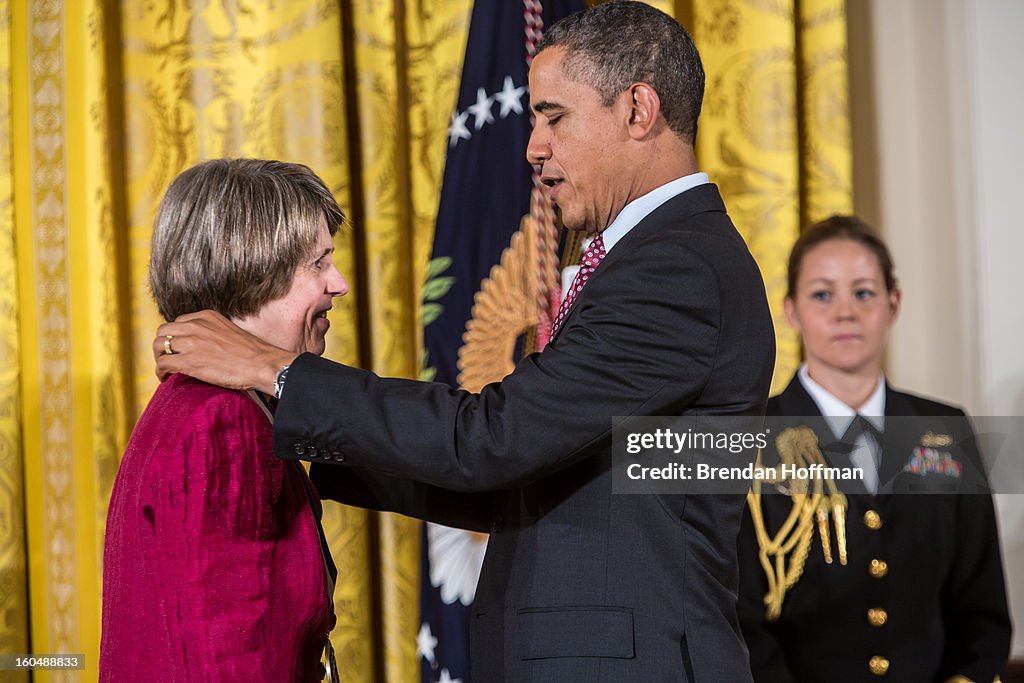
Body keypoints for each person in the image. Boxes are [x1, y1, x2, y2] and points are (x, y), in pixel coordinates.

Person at [154, 3, 775, 680]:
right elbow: (524, 480)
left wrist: (276, 370)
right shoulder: (658, 258)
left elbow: (493, 443)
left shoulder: (676, 268)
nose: (533, 145)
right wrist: (300, 430)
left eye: (553, 116)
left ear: (637, 109)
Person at [100, 159, 347, 681]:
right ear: (254, 270)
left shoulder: (226, 407)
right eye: (319, 264)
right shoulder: (222, 423)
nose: (339, 283)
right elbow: (224, 655)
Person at [736, 215, 1012, 682]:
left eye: (863, 292)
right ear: (791, 311)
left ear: (893, 303)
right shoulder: (749, 438)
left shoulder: (945, 431)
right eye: (822, 294)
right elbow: (739, 620)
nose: (845, 312)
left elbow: (981, 612)